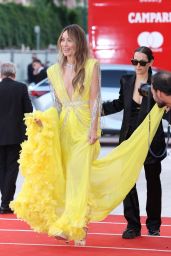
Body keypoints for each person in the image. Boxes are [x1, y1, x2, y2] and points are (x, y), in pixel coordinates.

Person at [10, 26, 165, 245]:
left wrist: (94, 129)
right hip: (64, 129)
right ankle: (76, 223)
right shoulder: (53, 70)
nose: (65, 44)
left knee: (78, 176)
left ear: (79, 43)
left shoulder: (92, 66)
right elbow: (57, 106)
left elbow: (95, 100)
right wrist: (44, 120)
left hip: (84, 130)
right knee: (66, 176)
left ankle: (73, 224)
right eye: (62, 39)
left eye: (70, 40)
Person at [103, 46, 166, 238]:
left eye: (142, 62)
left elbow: (166, 105)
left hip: (150, 139)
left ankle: (154, 225)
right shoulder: (127, 80)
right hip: (128, 138)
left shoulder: (158, 82)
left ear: (150, 63)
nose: (138, 66)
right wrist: (98, 110)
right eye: (134, 62)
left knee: (153, 182)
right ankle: (132, 225)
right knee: (127, 182)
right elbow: (121, 103)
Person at [0, 62, 33, 214]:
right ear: (14, 73)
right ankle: (6, 203)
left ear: (1, 74)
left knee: (1, 168)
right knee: (12, 168)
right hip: (16, 135)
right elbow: (29, 110)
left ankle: (5, 201)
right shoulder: (21, 87)